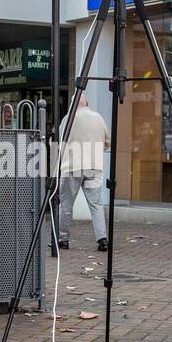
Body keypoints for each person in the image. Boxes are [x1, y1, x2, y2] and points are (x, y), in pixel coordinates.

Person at [54, 95, 110, 251]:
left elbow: (61, 141)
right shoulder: (98, 118)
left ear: (73, 103)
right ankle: (102, 239)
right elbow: (107, 141)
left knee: (66, 205)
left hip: (72, 165)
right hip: (93, 166)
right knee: (96, 204)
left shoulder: (68, 118)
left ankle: (63, 239)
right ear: (87, 103)